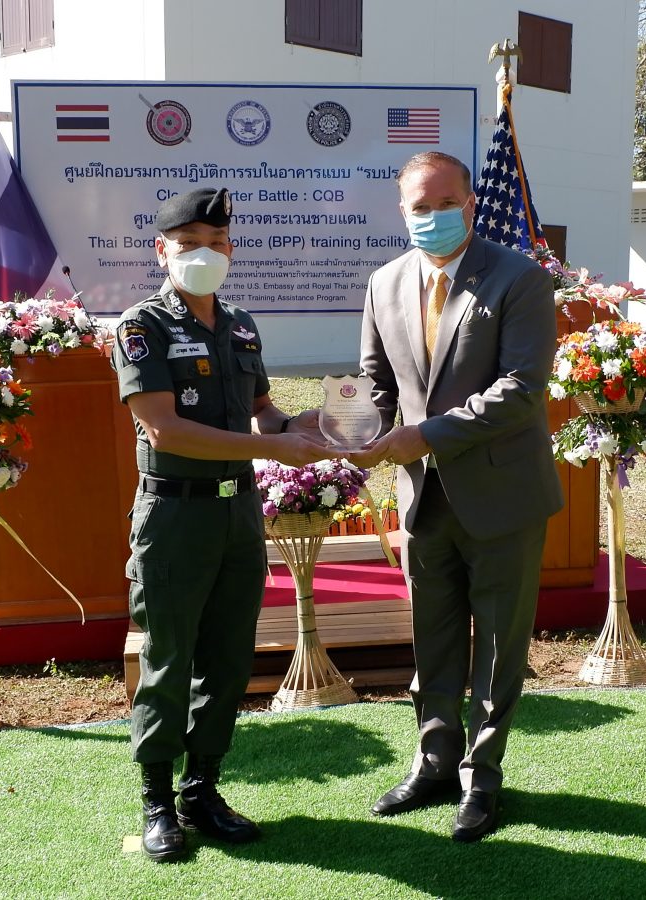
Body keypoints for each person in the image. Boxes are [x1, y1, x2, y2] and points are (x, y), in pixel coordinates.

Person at [111, 187, 330, 863]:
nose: (202, 255)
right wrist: (273, 447)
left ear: (231, 249)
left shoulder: (240, 325)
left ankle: (201, 790)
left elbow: (262, 412)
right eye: (187, 244)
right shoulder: (142, 326)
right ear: (162, 251)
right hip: (175, 513)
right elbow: (165, 429)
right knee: (169, 658)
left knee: (229, 659)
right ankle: (157, 801)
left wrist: (311, 425)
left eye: (214, 243)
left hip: (237, 513)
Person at [351, 152, 564, 842]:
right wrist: (347, 432)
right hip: (423, 498)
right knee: (433, 637)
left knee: (498, 646)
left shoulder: (519, 277)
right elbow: (376, 385)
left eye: (447, 203)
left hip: (501, 495)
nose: (434, 216)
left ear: (471, 204)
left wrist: (426, 435)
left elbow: (520, 389)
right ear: (402, 211)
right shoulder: (384, 282)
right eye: (420, 206)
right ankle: (435, 762)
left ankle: (482, 776)